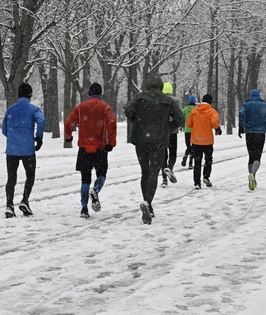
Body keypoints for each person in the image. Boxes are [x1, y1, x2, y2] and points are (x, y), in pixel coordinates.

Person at [124, 74, 184, 224]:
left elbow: (128, 110)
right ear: (160, 86)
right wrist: (167, 128)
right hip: (158, 141)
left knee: (145, 172)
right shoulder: (167, 100)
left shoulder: (139, 97)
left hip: (141, 140)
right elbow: (180, 119)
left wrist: (137, 122)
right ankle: (148, 202)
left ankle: (148, 204)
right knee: (154, 172)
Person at [64, 83, 117, 219]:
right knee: (101, 174)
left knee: (85, 179)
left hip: (84, 148)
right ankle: (96, 190)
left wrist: (68, 137)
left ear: (89, 93)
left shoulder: (81, 108)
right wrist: (111, 143)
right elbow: (111, 123)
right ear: (100, 94)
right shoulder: (105, 108)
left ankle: (84, 208)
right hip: (100, 147)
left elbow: (68, 123)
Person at [1, 82, 45, 218]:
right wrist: (38, 137)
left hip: (12, 150)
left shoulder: (11, 109)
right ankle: (25, 200)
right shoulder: (33, 109)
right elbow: (41, 121)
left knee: (11, 179)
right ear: (30, 95)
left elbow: (3, 129)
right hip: (28, 150)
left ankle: (9, 205)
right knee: (30, 175)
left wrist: (14, 137)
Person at [238, 89, 266, 190]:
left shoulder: (246, 105)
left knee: (251, 155)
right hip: (260, 133)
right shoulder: (265, 106)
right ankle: (253, 175)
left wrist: (241, 125)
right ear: (259, 95)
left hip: (249, 132)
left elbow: (241, 113)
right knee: (257, 156)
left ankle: (251, 177)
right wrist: (263, 125)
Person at [186, 94, 221, 189]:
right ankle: (206, 176)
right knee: (208, 159)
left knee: (197, 162)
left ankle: (197, 182)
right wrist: (218, 129)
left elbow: (189, 124)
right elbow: (214, 123)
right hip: (207, 140)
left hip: (196, 140)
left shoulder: (194, 111)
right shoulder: (212, 111)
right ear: (211, 102)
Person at [160, 81, 179, 187]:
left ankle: (164, 179)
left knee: (163, 154)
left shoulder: (159, 101)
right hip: (173, 131)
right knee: (173, 153)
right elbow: (178, 115)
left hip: (162, 131)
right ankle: (170, 167)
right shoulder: (176, 101)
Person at [180, 95, 197, 169]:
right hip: (195, 131)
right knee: (193, 147)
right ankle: (190, 162)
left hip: (187, 130)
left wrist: (182, 126)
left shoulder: (185, 109)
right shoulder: (197, 109)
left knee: (188, 146)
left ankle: (186, 156)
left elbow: (182, 119)